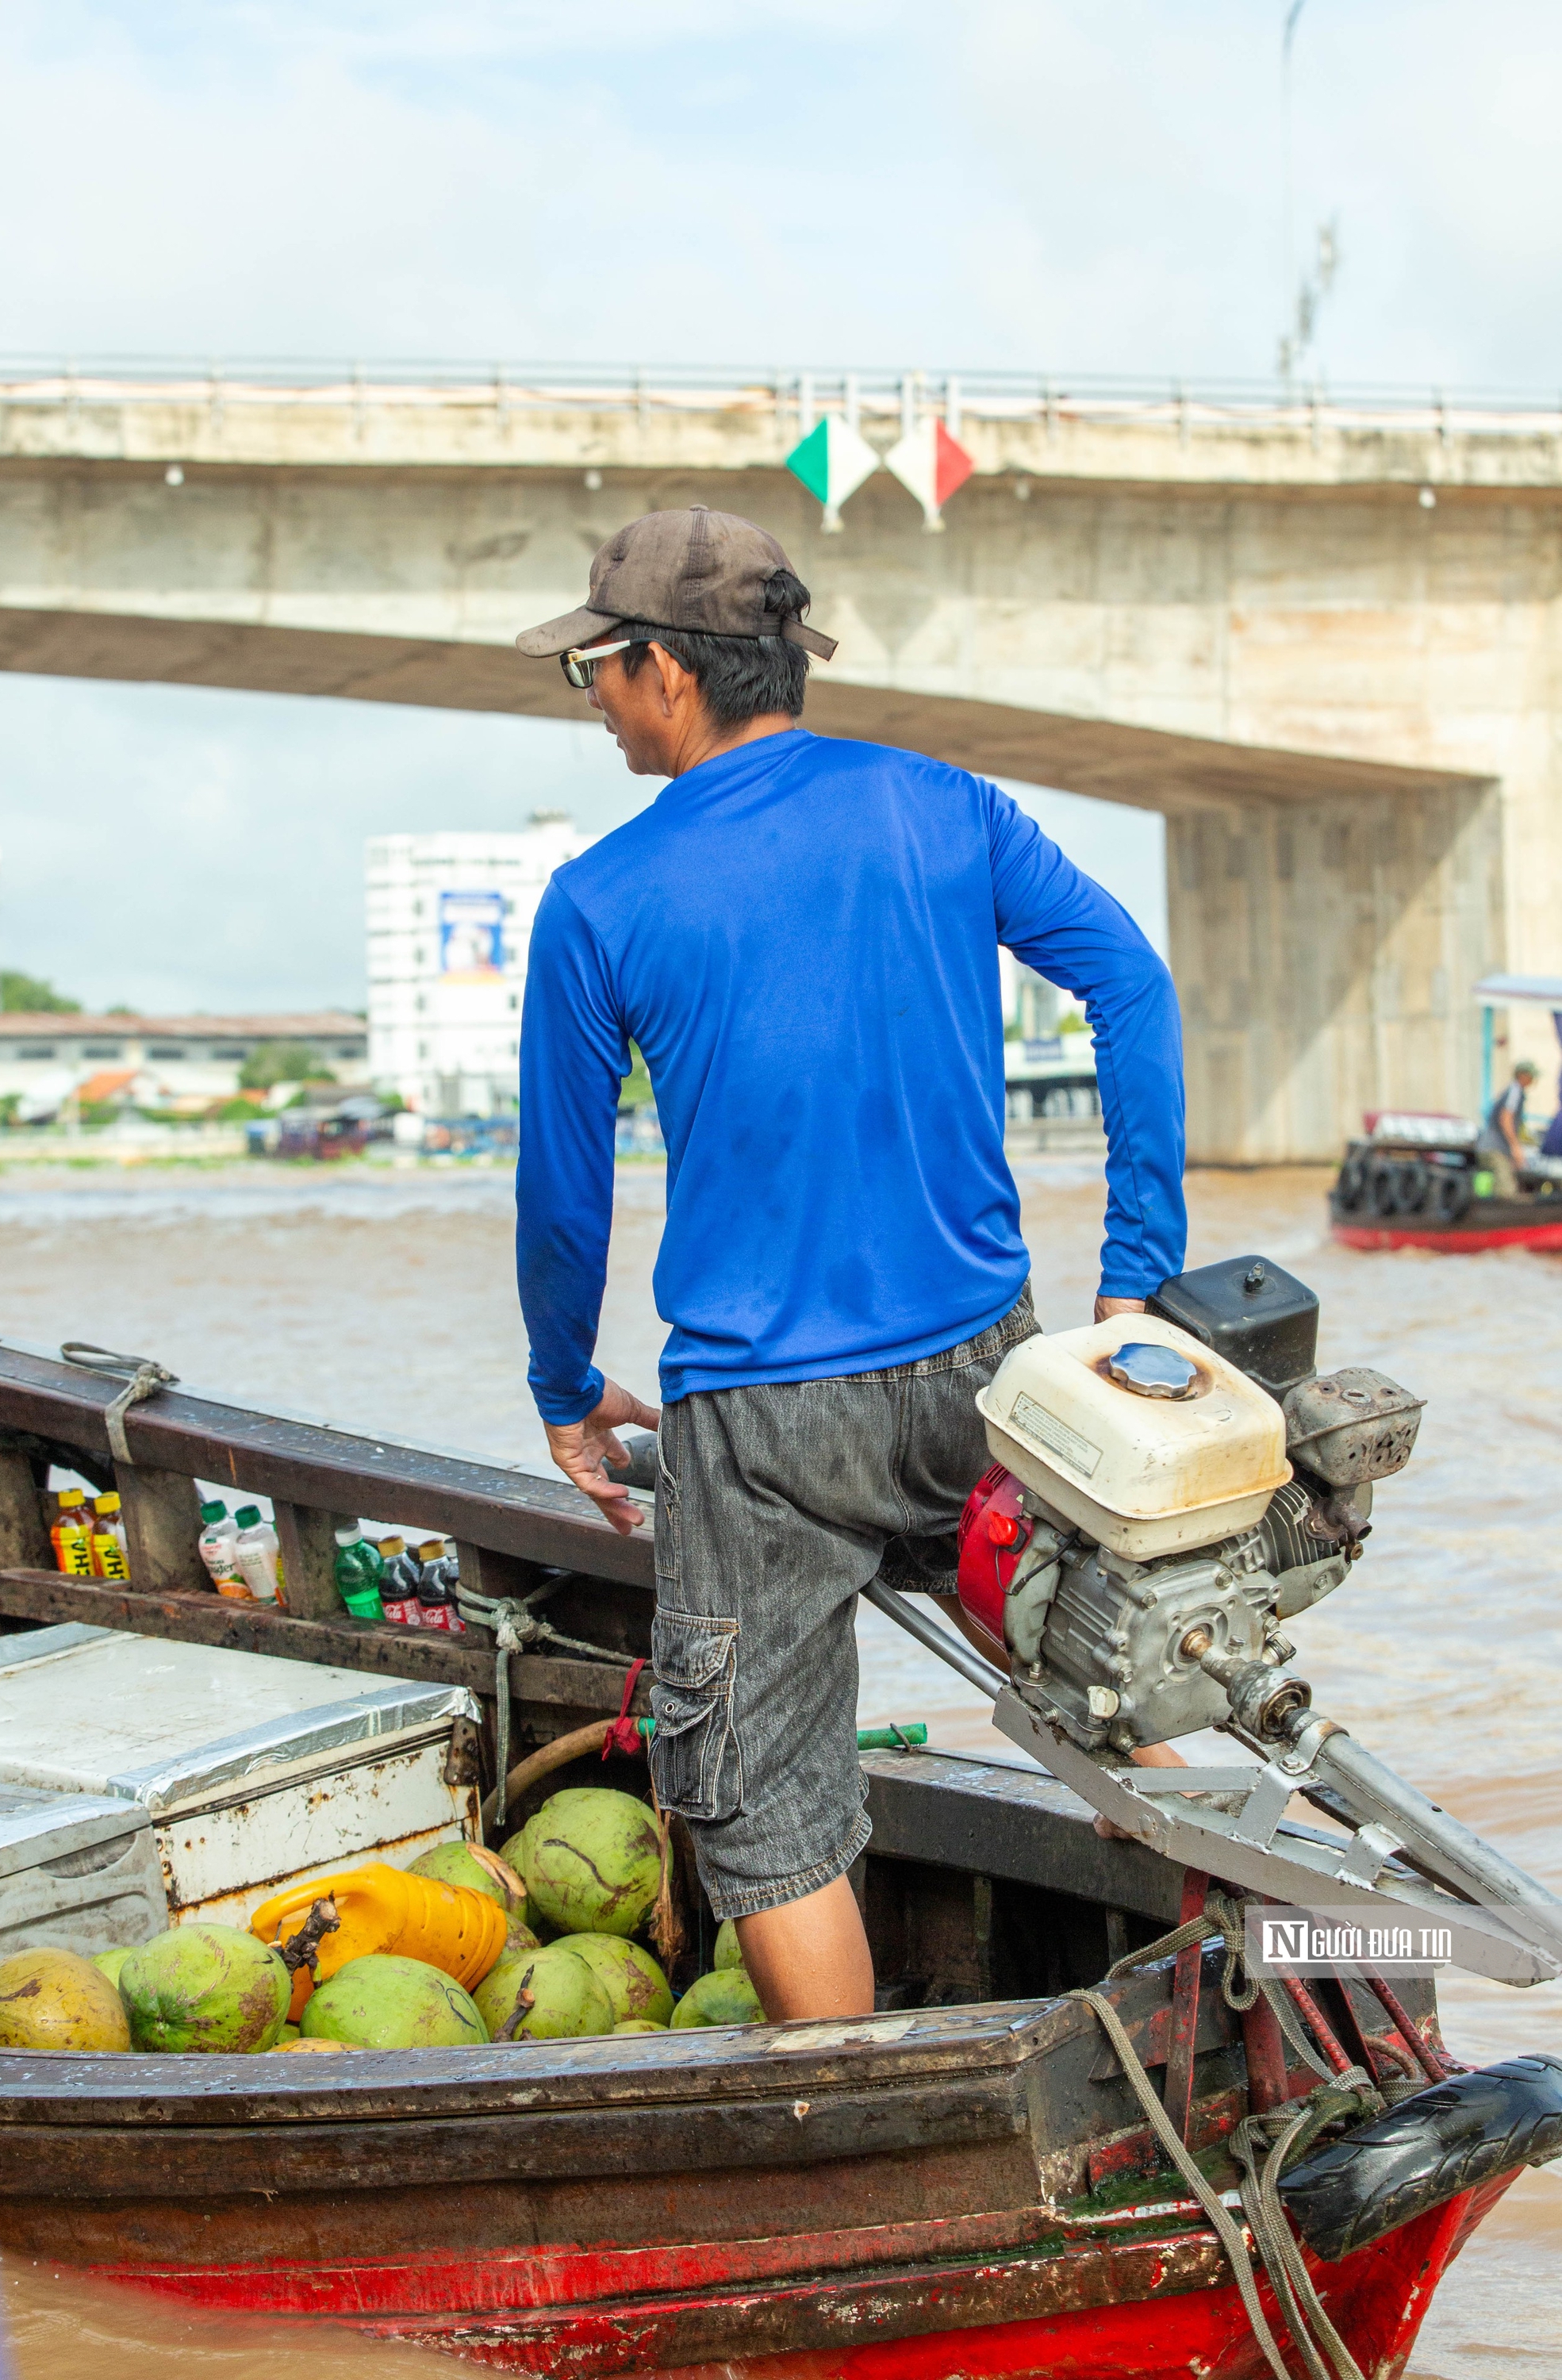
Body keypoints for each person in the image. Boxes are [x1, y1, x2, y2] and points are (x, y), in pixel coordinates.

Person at [512, 505, 1187, 2022]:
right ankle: (1293, 1991)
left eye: (597, 676)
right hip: (986, 1368)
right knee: (1106, 1676)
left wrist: (566, 1387)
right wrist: (1134, 1279)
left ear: (665, 675)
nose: (598, 706)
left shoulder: (603, 900)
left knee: (766, 1812)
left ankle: (860, 2121)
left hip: (763, 1433)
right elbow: (1131, 985)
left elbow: (565, 1201)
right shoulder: (947, 809)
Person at [1479, 1058, 1537, 1196]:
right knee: (1507, 1192)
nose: (1533, 1079)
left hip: (1496, 1148)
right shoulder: (1515, 1091)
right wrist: (1515, 1147)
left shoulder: (1514, 1091)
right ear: (1523, 1075)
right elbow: (1506, 1119)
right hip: (1494, 1148)